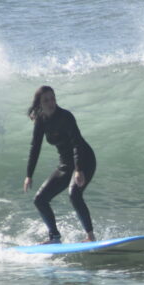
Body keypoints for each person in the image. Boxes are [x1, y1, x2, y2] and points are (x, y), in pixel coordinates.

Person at [24, 85, 96, 243]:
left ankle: (90, 237)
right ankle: (55, 237)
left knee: (75, 195)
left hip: (84, 159)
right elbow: (35, 147)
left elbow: (77, 143)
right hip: (65, 163)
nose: (51, 103)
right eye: (46, 100)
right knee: (40, 200)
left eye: (53, 98)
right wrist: (29, 175)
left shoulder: (65, 116)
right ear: (40, 103)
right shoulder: (41, 120)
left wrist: (78, 169)